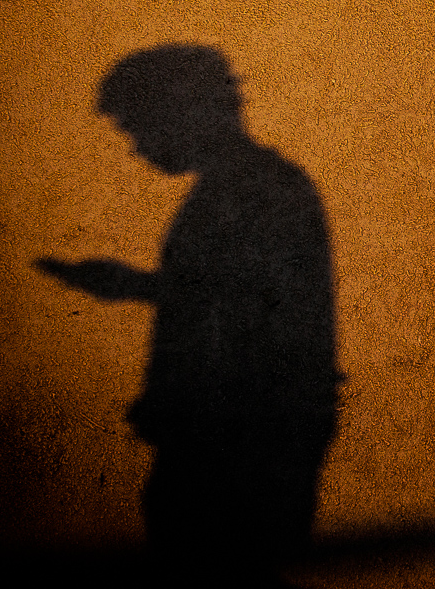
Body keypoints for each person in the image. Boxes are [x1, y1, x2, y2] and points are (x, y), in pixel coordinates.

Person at [39, 45, 338, 585]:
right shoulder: (253, 187)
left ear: (182, 112)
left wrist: (137, 287)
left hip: (237, 449)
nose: (137, 145)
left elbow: (249, 302)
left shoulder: (254, 190)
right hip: (243, 443)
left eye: (138, 126)